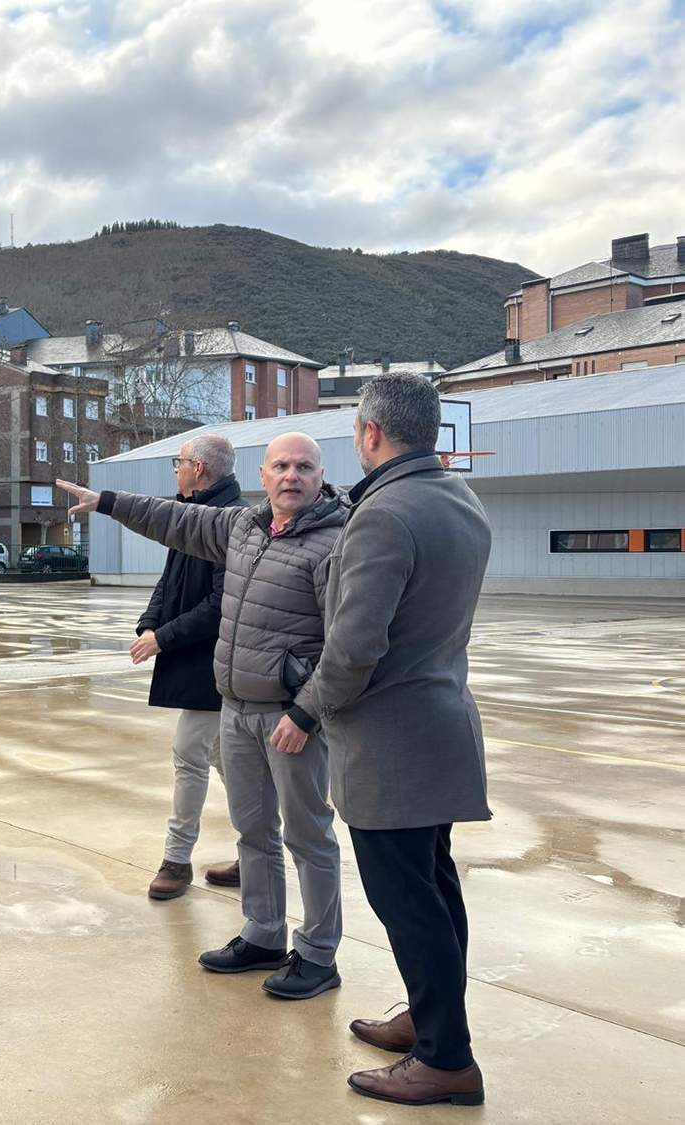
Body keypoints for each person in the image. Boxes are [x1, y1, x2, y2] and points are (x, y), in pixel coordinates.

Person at [56, 432, 347, 1002]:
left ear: (319, 476)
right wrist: (109, 503)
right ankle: (263, 933)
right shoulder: (245, 528)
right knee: (253, 831)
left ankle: (317, 952)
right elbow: (174, 520)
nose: (291, 476)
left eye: (304, 467)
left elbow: (347, 644)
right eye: (281, 466)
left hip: (291, 718)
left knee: (310, 837)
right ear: (262, 475)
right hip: (235, 708)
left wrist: (307, 713)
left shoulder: (335, 544)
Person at [284, 373, 491, 1106]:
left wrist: (304, 709)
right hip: (440, 727)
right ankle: (429, 1020)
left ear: (371, 433)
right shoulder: (458, 499)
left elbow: (353, 648)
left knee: (408, 899)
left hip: (392, 745)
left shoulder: (383, 514)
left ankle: (445, 1057)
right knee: (433, 888)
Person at [133, 433, 246, 900]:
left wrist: (165, 636)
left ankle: (176, 862)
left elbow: (223, 603)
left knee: (189, 755)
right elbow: (170, 579)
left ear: (198, 468)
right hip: (196, 661)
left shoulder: (228, 521)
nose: (176, 470)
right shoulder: (190, 513)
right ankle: (255, 850)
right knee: (227, 762)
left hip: (217, 664)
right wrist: (148, 623)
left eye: (178, 463)